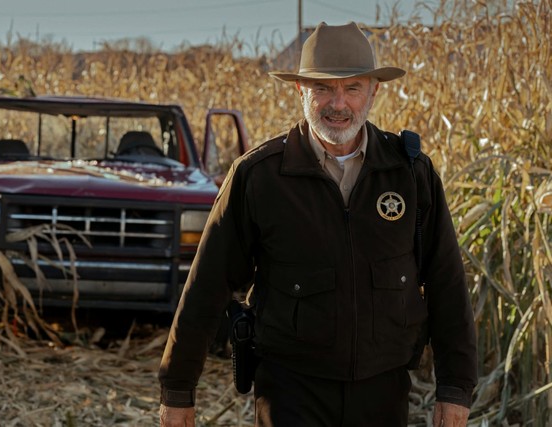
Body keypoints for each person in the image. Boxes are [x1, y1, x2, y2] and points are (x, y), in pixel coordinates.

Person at [158, 21, 477, 426]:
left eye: (352, 88)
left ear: (373, 91)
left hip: (383, 392)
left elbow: (447, 281)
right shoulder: (259, 176)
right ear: (300, 90)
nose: (338, 103)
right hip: (290, 392)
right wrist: (178, 387)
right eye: (323, 88)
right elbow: (207, 284)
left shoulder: (410, 173)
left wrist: (455, 388)